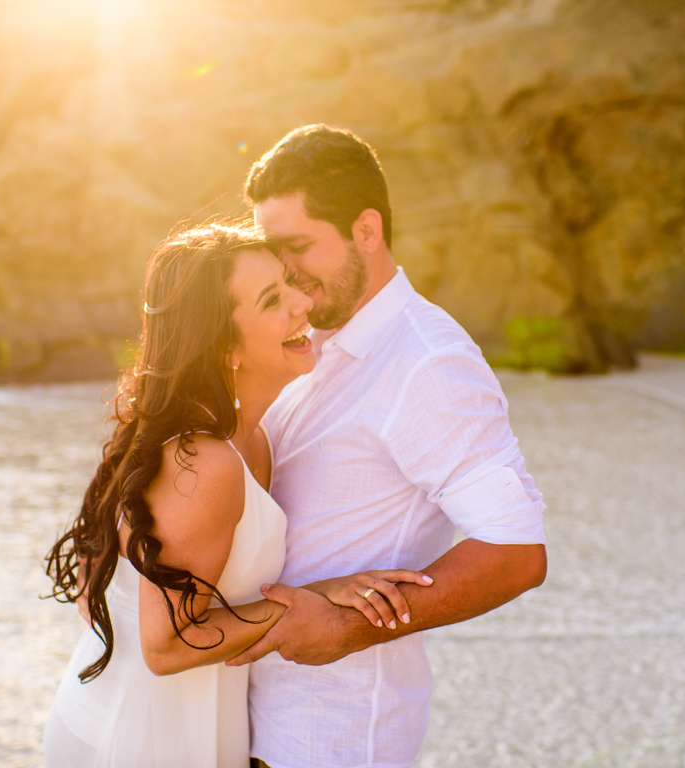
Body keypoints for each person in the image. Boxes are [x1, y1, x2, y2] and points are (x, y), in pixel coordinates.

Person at [42, 223, 432, 768]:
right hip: (142, 737)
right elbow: (166, 645)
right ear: (226, 347)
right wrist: (310, 607)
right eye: (274, 300)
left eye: (291, 283)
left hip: (189, 721)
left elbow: (101, 583)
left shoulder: (253, 437)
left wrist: (320, 590)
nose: (303, 302)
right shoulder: (206, 460)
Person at [226, 125, 549, 768]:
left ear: (366, 231)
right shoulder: (299, 340)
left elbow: (517, 551)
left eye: (298, 247)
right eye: (272, 250)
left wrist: (347, 628)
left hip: (336, 735)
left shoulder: (430, 364)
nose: (284, 272)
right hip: (245, 721)